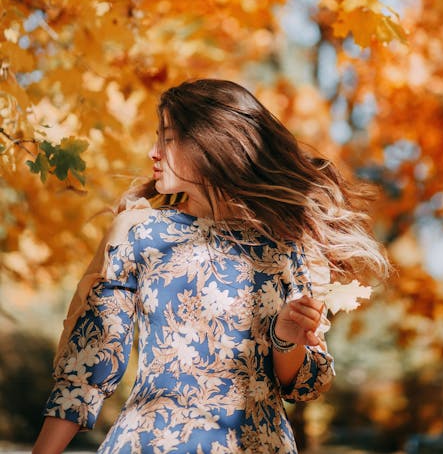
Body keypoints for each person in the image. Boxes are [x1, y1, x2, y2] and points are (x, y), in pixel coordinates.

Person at [33, 78, 389, 454]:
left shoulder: (285, 245)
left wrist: (285, 339)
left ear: (210, 141)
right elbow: (87, 368)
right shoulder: (139, 234)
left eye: (167, 139)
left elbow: (305, 384)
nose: (153, 151)